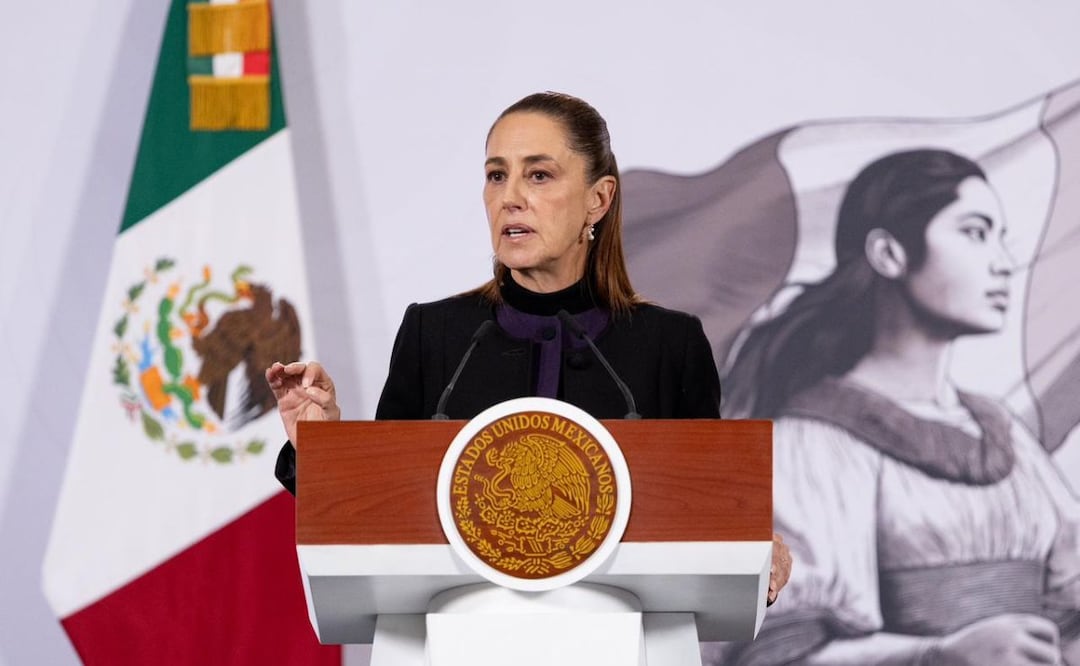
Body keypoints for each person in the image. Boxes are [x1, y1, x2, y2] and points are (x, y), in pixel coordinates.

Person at [265, 91, 792, 605]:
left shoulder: (668, 344)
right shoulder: (436, 334)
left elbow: (707, 512)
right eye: (497, 175)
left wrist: (750, 551)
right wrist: (319, 450)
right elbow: (380, 518)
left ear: (598, 199)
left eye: (538, 174)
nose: (509, 196)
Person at [713, 149, 1080, 665]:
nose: (1002, 261)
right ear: (889, 253)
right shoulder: (813, 442)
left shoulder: (1003, 432)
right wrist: (940, 654)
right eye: (975, 233)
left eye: (1001, 237)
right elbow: (779, 649)